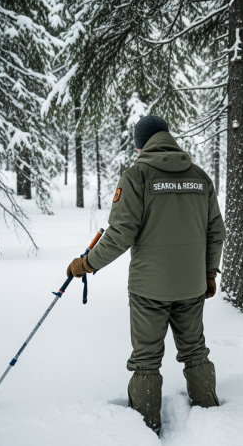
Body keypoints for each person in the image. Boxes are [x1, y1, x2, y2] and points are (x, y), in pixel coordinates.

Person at [66, 115, 225, 435]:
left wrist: (86, 264)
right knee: (195, 352)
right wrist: (209, 272)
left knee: (146, 361)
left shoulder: (137, 175)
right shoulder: (199, 176)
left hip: (148, 289)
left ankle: (145, 432)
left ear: (141, 145)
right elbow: (216, 231)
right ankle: (211, 419)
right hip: (191, 285)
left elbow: (119, 235)